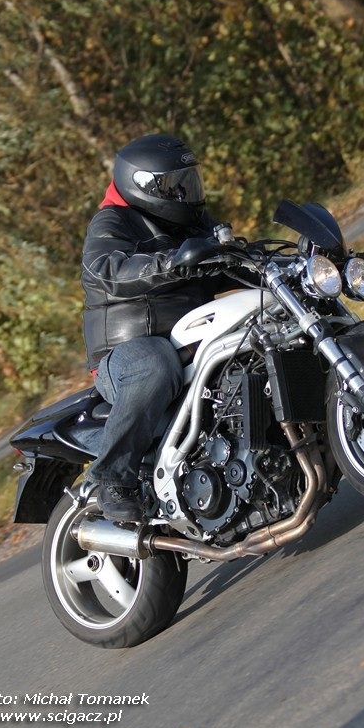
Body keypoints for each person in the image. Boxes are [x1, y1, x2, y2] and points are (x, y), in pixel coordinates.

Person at [81, 133, 241, 521]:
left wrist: (276, 263)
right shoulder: (112, 222)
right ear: (143, 186)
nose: (184, 192)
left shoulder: (191, 222)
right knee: (155, 363)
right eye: (173, 186)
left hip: (190, 334)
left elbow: (227, 257)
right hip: (127, 354)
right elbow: (108, 269)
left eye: (187, 181)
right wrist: (169, 263)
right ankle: (112, 478)